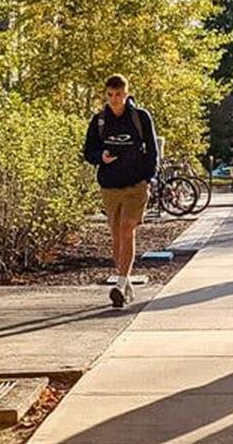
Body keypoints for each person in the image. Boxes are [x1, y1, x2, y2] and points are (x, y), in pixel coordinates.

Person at [80, 74, 159, 309]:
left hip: (136, 184)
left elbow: (152, 150)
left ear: (126, 94)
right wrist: (100, 157)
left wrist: (148, 177)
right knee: (116, 237)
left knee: (127, 228)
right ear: (106, 94)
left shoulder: (140, 117)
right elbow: (88, 151)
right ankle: (125, 285)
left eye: (119, 95)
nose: (114, 99)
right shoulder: (100, 120)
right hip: (110, 185)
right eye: (110, 95)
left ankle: (120, 283)